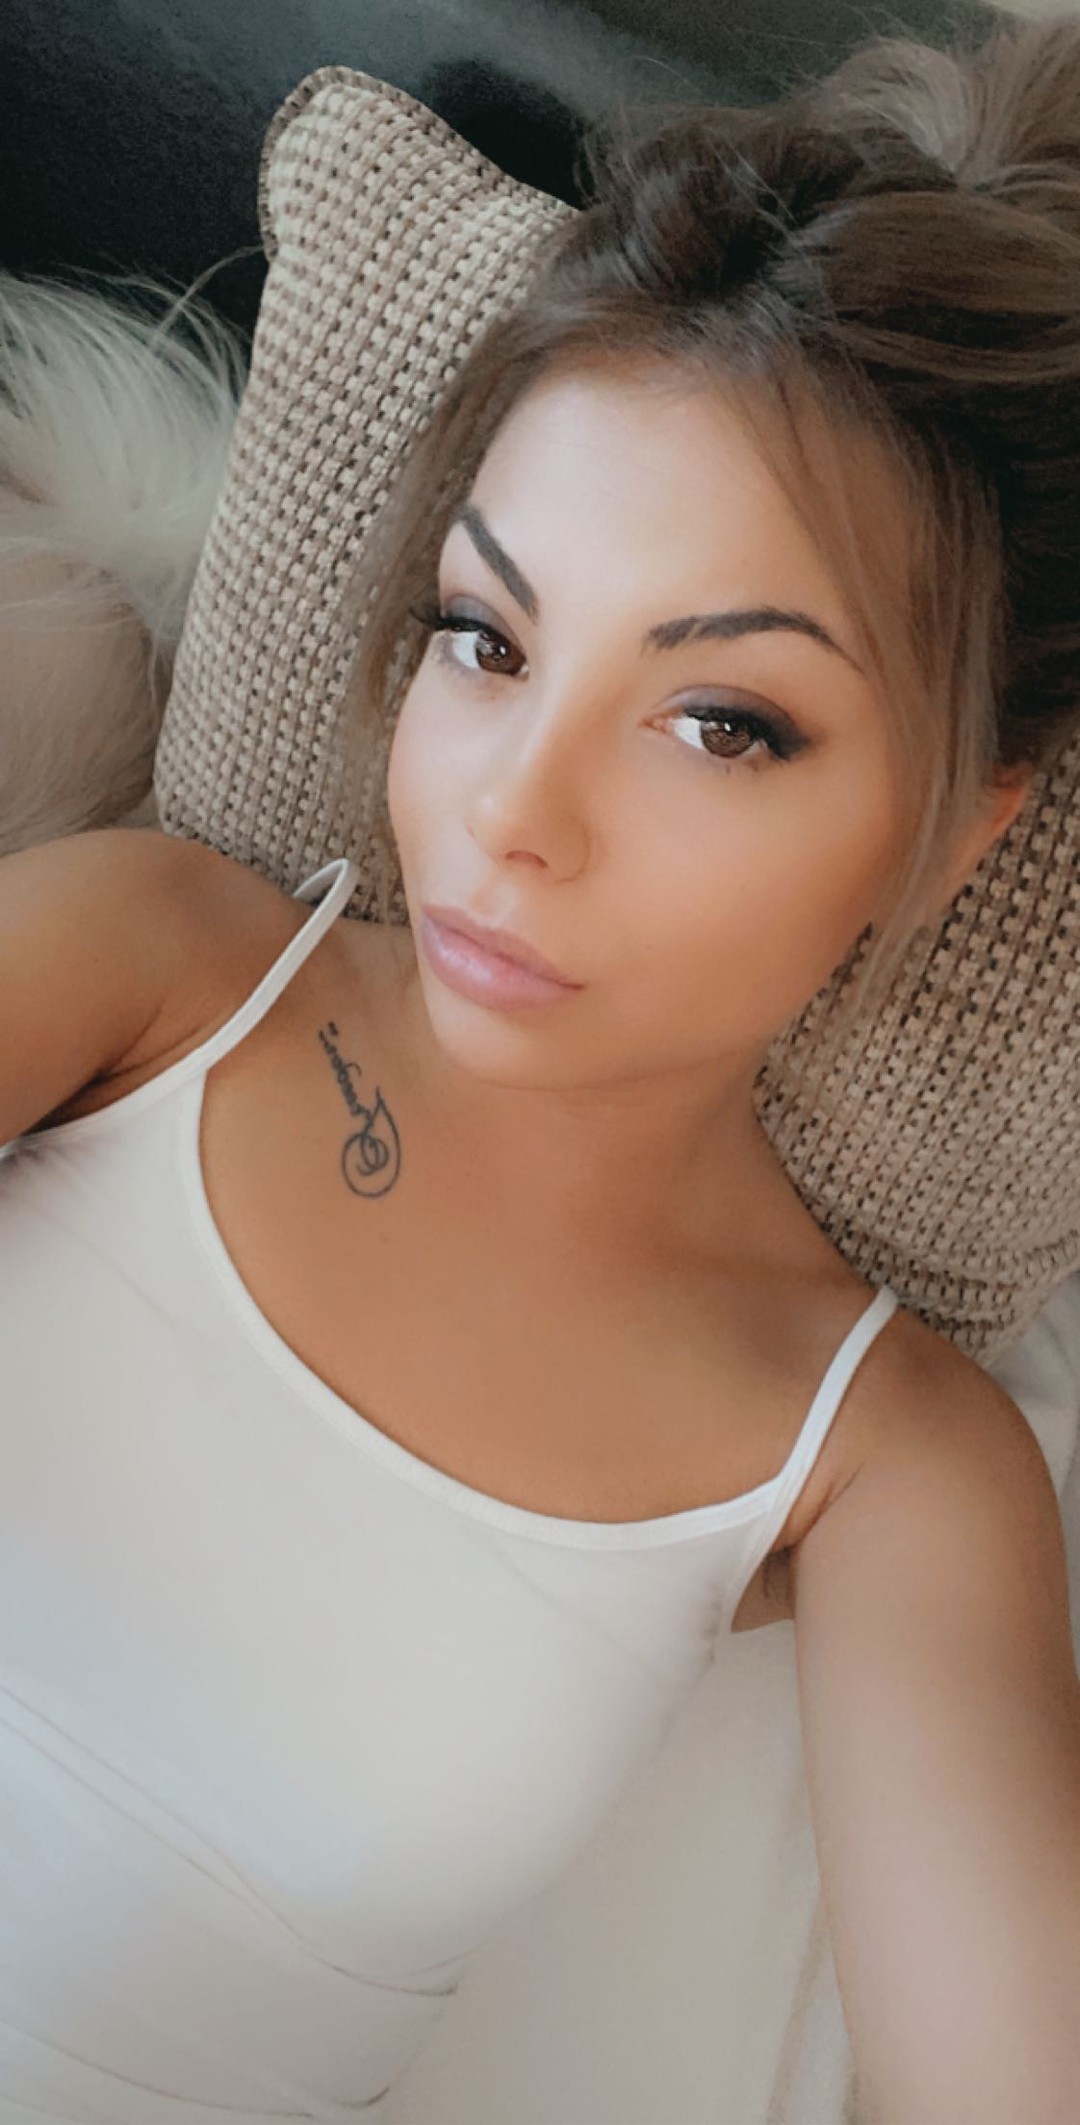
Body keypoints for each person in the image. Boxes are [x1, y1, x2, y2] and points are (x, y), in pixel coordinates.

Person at [2, 14, 1080, 2123]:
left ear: (956, 832)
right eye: (486, 641)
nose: (511, 811)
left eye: (721, 723)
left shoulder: (894, 1462)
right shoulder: (154, 958)